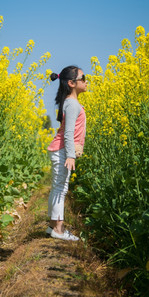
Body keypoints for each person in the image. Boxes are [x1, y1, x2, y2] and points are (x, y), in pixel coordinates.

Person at [46, 65, 87, 241]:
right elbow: (68, 133)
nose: (86, 82)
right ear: (71, 83)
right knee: (60, 190)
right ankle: (59, 230)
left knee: (58, 188)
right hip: (62, 151)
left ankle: (52, 227)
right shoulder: (72, 104)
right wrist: (70, 155)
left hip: (62, 149)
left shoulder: (70, 103)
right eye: (83, 79)